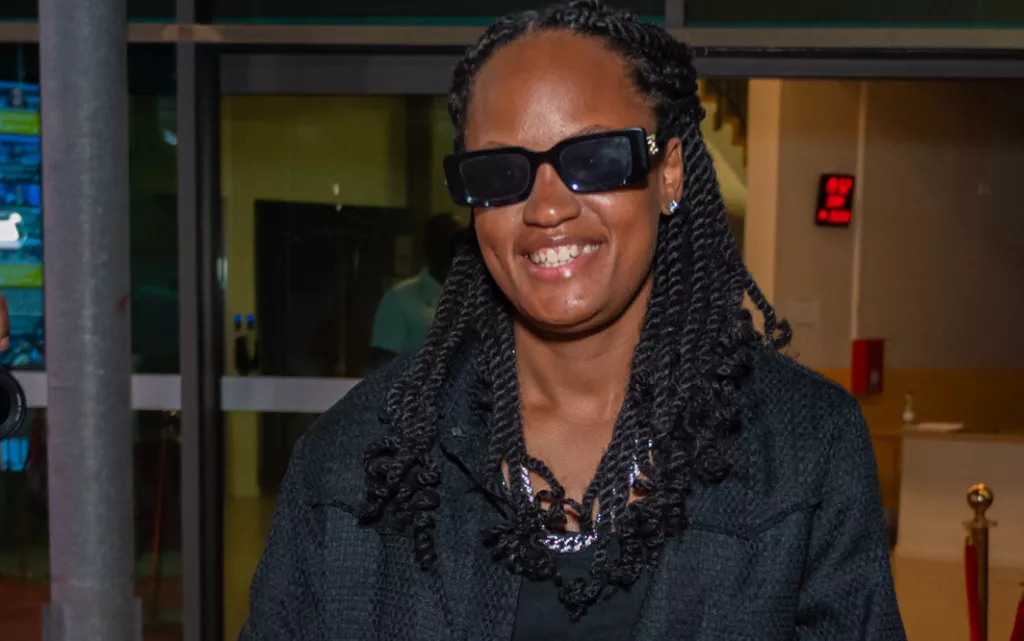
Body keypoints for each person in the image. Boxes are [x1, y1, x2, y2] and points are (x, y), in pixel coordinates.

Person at [241, 2, 904, 639]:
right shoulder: (360, 457)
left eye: (595, 159)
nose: (547, 207)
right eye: (501, 170)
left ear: (670, 173)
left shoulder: (804, 447)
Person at [370, 213, 463, 366]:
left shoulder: (475, 298)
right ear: (428, 249)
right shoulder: (398, 300)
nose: (457, 254)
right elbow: (383, 367)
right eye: (449, 245)